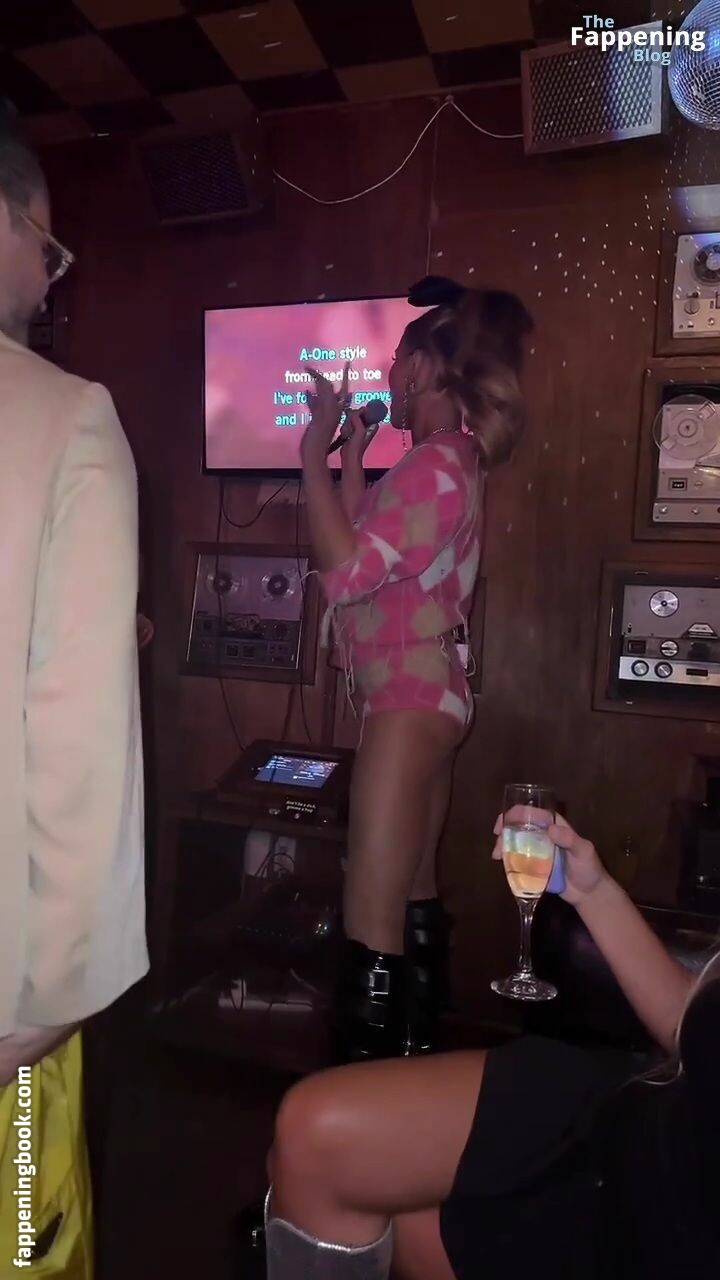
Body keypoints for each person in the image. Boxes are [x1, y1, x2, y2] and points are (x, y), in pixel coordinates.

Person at [264, 813, 720, 1280]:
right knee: (313, 1137)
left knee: (337, 1176)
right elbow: (694, 1027)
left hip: (651, 1226)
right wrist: (593, 892)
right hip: (624, 1116)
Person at [300, 276, 533, 1059]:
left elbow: (345, 573)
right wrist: (350, 458)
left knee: (371, 923)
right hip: (428, 695)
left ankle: (355, 1108)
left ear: (428, 368)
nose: (390, 376)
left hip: (407, 696)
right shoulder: (443, 462)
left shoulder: (437, 464)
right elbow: (362, 539)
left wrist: (309, 454)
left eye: (398, 360)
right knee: (413, 897)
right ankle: (413, 1084)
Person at [0, 121, 148, 1080]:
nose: (52, 280)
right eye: (47, 248)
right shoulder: (68, 417)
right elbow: (79, 751)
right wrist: (47, 1009)